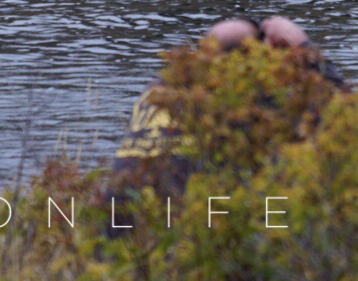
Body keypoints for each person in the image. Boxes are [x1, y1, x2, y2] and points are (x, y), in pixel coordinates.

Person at [111, 16, 342, 190]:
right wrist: (304, 47)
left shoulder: (159, 88)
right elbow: (341, 113)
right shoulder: (238, 103)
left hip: (112, 230)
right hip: (178, 232)